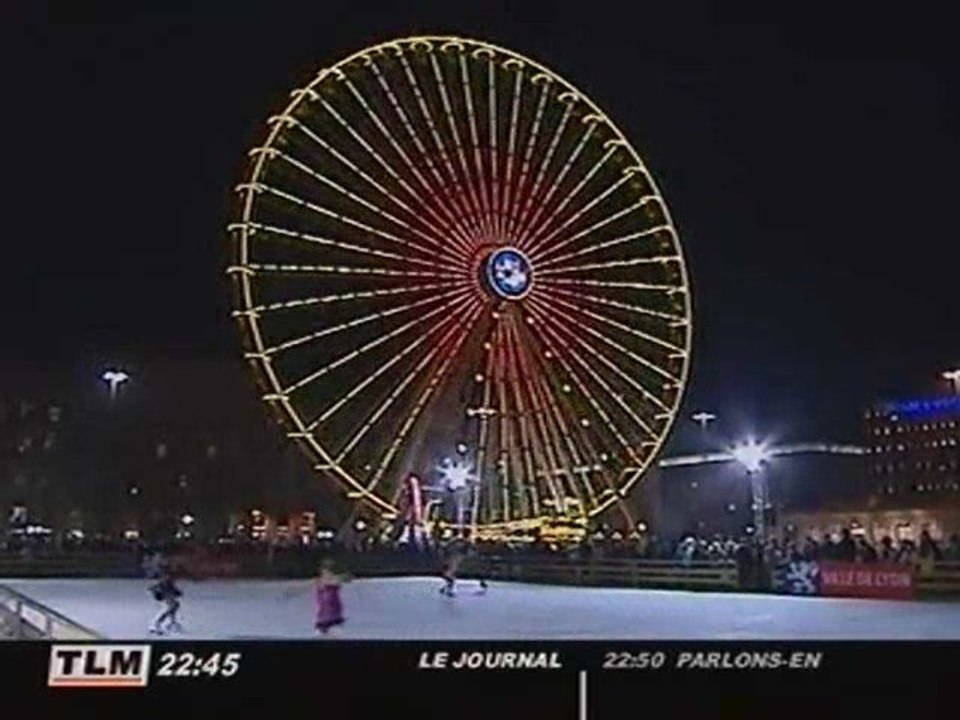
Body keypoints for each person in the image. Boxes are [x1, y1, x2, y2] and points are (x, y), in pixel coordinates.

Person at [315, 558, 348, 634]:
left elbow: (344, 579)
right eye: (324, 570)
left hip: (334, 613)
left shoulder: (335, 579)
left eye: (328, 570)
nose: (325, 572)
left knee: (335, 632)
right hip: (323, 614)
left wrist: (339, 578)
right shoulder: (320, 581)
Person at [148, 569, 183, 635]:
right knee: (169, 608)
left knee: (174, 606)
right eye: (165, 576)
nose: (167, 577)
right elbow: (152, 590)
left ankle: (172, 622)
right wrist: (156, 593)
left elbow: (178, 592)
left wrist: (177, 593)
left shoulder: (170, 584)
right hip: (164, 600)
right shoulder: (161, 584)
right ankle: (157, 624)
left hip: (169, 599)